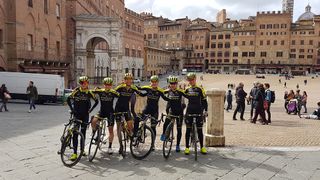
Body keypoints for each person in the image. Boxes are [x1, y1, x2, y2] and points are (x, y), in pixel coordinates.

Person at [67, 76, 98, 161]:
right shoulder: (76, 91)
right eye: (82, 83)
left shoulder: (89, 92)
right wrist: (72, 110)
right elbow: (68, 99)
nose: (84, 84)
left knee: (83, 133)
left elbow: (97, 101)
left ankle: (82, 150)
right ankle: (74, 153)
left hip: (85, 116)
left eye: (85, 83)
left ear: (87, 83)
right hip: (77, 115)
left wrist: (90, 110)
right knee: (75, 134)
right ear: (80, 84)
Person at [114, 73, 144, 154]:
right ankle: (121, 146)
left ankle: (131, 137)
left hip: (126, 109)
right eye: (127, 79)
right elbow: (112, 93)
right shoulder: (120, 87)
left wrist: (150, 91)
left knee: (130, 125)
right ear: (124, 80)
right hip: (118, 109)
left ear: (132, 80)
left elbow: (141, 94)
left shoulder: (133, 88)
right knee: (119, 129)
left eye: (130, 79)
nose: (128, 80)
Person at [137, 75, 167, 148]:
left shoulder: (160, 91)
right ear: (150, 82)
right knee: (141, 122)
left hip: (155, 111)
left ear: (158, 83)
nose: (154, 83)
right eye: (152, 82)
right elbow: (139, 88)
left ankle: (152, 144)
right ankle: (141, 135)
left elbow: (165, 98)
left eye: (155, 82)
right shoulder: (148, 88)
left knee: (153, 127)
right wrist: (133, 87)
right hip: (147, 109)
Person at [91, 77, 120, 155]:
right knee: (93, 121)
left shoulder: (114, 92)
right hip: (102, 112)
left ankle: (110, 147)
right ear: (104, 85)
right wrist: (95, 89)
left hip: (110, 113)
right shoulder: (100, 91)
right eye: (106, 84)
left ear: (111, 85)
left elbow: (121, 97)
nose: (108, 86)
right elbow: (90, 92)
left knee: (110, 130)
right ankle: (97, 132)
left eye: (109, 84)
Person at [184, 72, 208, 155]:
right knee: (188, 130)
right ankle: (187, 147)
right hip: (189, 111)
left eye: (192, 79)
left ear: (195, 79)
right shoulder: (187, 89)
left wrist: (205, 110)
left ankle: (202, 147)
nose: (191, 81)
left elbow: (204, 100)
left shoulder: (200, 89)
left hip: (198, 111)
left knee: (200, 130)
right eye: (189, 80)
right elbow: (181, 98)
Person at [160, 76, 186, 152]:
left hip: (179, 113)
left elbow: (185, 101)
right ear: (169, 84)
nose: (173, 85)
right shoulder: (168, 91)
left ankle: (177, 145)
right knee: (166, 123)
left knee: (179, 129)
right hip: (171, 112)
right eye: (171, 83)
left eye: (174, 83)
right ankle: (164, 134)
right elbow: (159, 92)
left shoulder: (180, 92)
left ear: (177, 84)